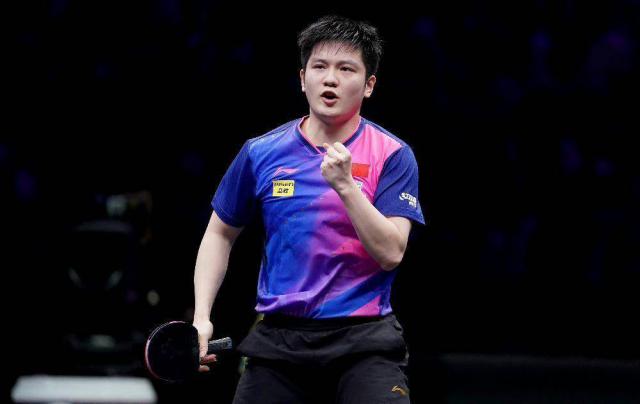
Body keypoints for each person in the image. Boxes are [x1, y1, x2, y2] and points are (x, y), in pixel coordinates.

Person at [192, 15, 425, 403]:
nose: (330, 79)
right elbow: (219, 232)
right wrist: (202, 317)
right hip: (279, 341)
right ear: (303, 79)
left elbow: (390, 252)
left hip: (364, 342)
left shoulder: (393, 155)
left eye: (346, 69)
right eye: (319, 67)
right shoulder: (261, 152)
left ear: (369, 85)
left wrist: (346, 186)